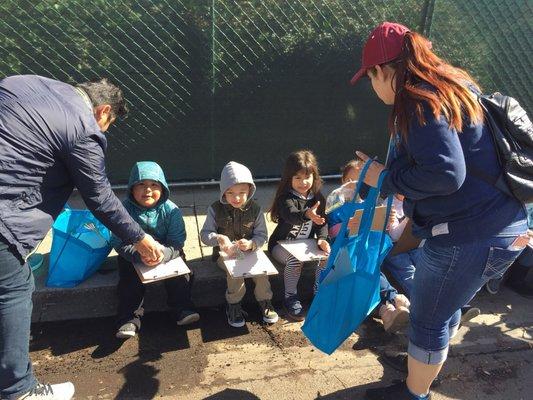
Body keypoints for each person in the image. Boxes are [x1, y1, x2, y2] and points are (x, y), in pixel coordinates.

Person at [351, 23, 528, 399]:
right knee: (444, 309)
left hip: (469, 235)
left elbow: (446, 174)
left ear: (384, 70)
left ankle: (415, 393)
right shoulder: (454, 86)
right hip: (505, 227)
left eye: (370, 78)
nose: (372, 87)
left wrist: (386, 176)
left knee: (428, 319)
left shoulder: (418, 100)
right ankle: (423, 370)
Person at [0, 75, 163, 400]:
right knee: (15, 288)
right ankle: (19, 389)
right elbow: (100, 197)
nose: (104, 131)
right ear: (103, 111)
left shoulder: (20, 82)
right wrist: (141, 239)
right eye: (109, 124)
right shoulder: (83, 127)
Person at [112, 161, 199, 339]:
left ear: (163, 187)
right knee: (129, 281)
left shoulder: (171, 211)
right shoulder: (124, 210)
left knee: (182, 275)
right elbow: (119, 241)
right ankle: (129, 318)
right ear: (131, 188)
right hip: (134, 254)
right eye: (141, 185)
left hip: (166, 253)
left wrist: (164, 255)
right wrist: (137, 255)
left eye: (154, 185)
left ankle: (182, 309)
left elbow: (177, 242)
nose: (148, 190)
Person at [200, 161, 278, 328]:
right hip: (225, 256)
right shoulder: (215, 209)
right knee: (235, 273)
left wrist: (251, 244)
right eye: (230, 193)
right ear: (223, 192)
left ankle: (265, 301)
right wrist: (219, 238)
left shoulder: (256, 209)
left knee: (262, 274)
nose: (236, 198)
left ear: (250, 190)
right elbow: (204, 235)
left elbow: (262, 235)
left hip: (250, 253)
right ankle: (233, 304)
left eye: (242, 193)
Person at [268, 150, 331, 321]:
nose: (303, 182)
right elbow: (291, 215)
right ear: (289, 178)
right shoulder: (285, 198)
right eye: (297, 178)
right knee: (295, 261)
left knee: (326, 256)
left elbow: (323, 223)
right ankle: (290, 297)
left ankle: (319, 293)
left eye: (307, 177)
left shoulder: (318, 198)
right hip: (280, 245)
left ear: (314, 176)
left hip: (306, 245)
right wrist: (307, 215)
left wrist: (323, 240)